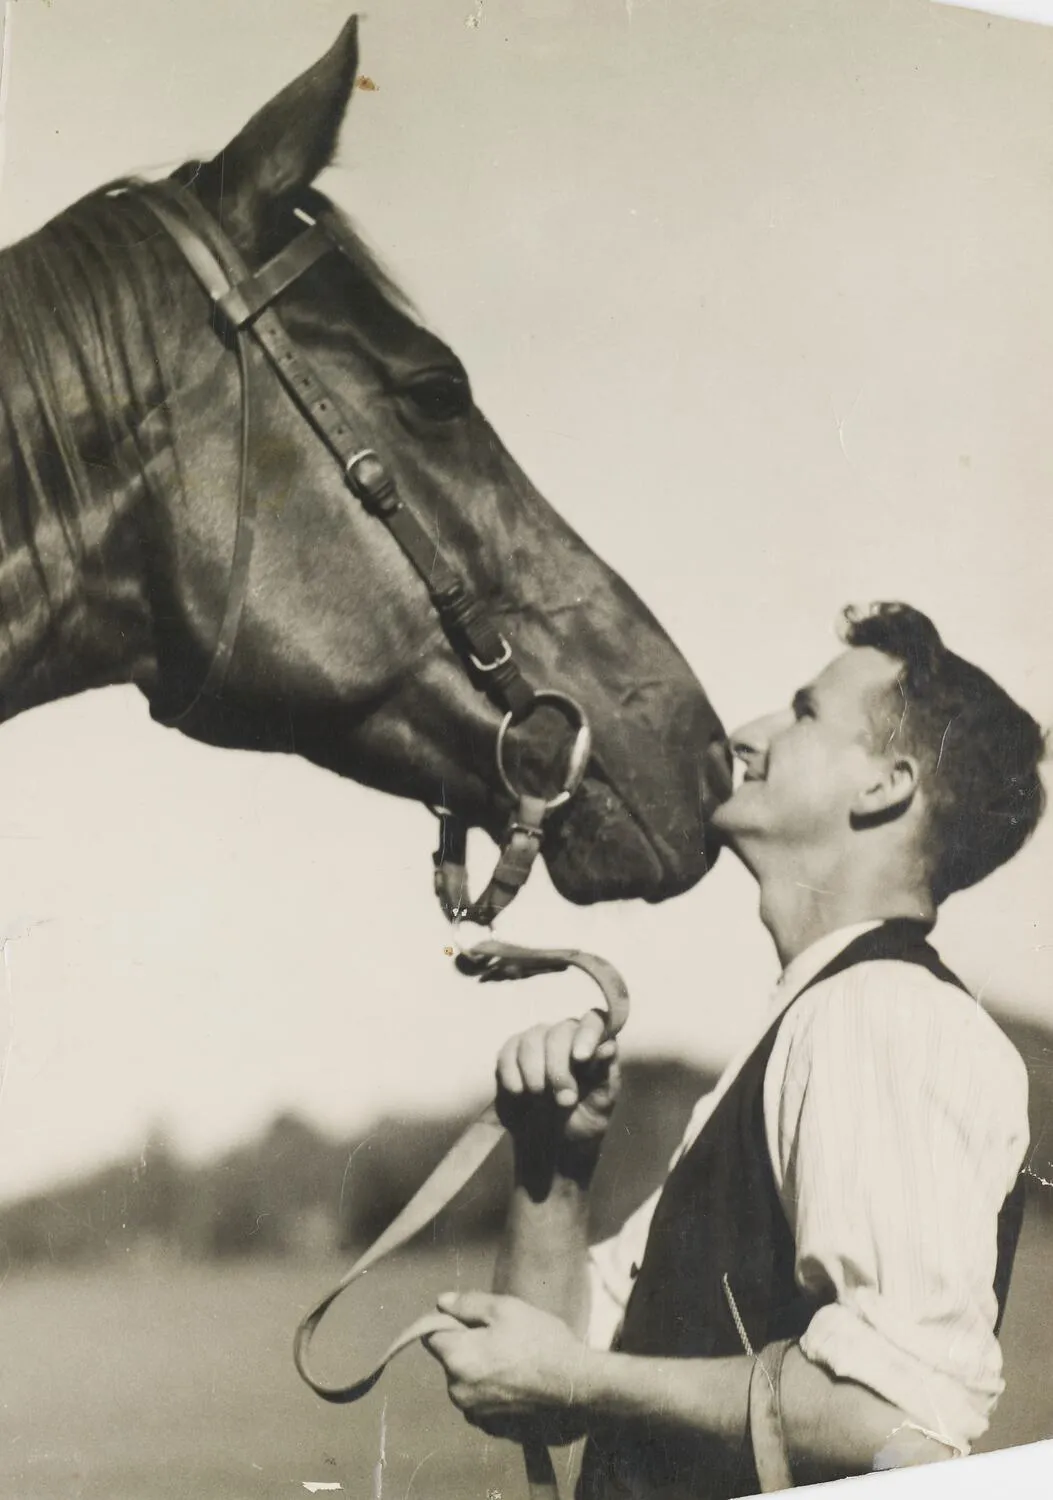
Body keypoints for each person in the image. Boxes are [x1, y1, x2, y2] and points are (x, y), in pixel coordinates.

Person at [424, 601, 1047, 1496]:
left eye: (801, 714)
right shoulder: (811, 1022)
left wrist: (577, 1379)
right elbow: (535, 1387)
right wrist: (554, 1168)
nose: (748, 734)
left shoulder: (883, 1015)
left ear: (885, 786)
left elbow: (895, 1418)